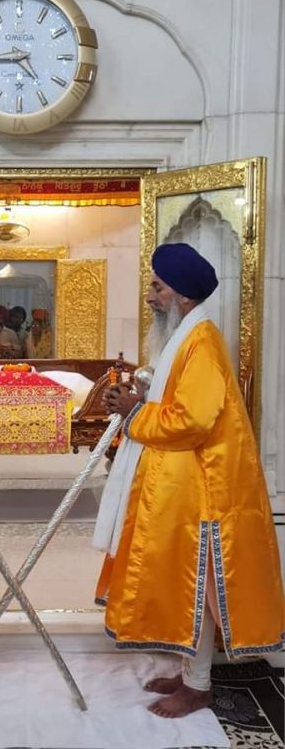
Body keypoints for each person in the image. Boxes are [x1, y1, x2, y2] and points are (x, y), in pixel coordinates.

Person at [93, 242, 284, 719]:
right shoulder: (186, 337)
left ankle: (198, 685)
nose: (149, 296)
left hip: (204, 496)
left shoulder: (202, 342)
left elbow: (193, 420)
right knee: (186, 586)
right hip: (178, 491)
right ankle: (189, 674)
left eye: (157, 287)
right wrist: (143, 399)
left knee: (201, 588)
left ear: (181, 296)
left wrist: (136, 411)